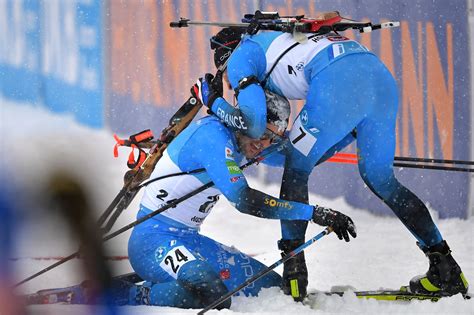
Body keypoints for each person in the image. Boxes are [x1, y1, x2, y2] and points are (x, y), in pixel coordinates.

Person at [190, 12, 468, 301]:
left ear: (224, 58)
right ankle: (445, 268)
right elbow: (305, 150)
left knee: (297, 170)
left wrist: (211, 100)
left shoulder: (239, 58)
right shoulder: (273, 40)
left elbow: (254, 122)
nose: (233, 87)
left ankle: (294, 277)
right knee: (381, 180)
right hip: (379, 78)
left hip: (337, 80)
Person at [120, 89, 356, 309]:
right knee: (212, 294)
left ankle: (165, 281)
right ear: (242, 122)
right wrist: (312, 213)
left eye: (272, 139)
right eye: (262, 134)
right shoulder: (213, 137)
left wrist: (350, 133)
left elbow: (298, 156)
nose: (263, 145)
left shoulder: (241, 140)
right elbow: (245, 200)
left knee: (273, 291)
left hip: (189, 240)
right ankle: (128, 294)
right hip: (152, 241)